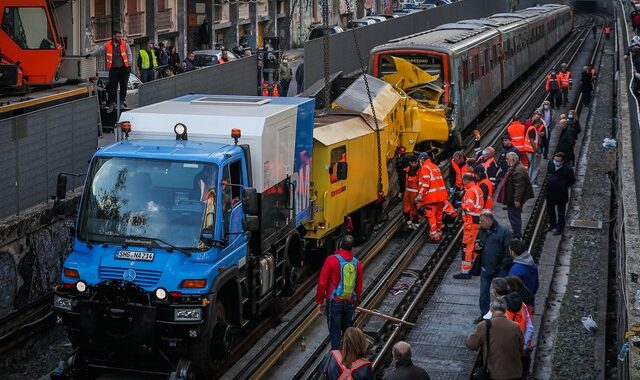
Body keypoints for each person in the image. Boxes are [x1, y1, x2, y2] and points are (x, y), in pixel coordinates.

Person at [316, 235, 363, 350]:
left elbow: (322, 283)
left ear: (340, 245)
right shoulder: (357, 264)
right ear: (351, 248)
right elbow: (358, 288)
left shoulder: (331, 260)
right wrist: (355, 304)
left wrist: (320, 301)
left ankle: (337, 360)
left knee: (335, 332)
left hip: (334, 302)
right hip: (349, 302)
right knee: (348, 334)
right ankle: (349, 358)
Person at [465, 297, 524, 380]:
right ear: (506, 309)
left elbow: (471, 345)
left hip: (494, 374)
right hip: (515, 373)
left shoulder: (484, 325)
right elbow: (521, 348)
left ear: (491, 309)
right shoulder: (515, 326)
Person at [474, 210, 512, 322]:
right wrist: (477, 247)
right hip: (485, 268)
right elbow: (478, 241)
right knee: (484, 293)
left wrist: (502, 266)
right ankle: (484, 314)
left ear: (490, 220)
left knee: (500, 294)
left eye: (483, 221)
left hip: (499, 269)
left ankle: (499, 315)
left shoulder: (504, 232)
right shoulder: (482, 230)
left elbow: (508, 251)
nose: (480, 223)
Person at [86, 30, 133, 113]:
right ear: (114, 36)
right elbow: (99, 51)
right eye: (118, 36)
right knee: (112, 86)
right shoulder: (107, 45)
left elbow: (129, 55)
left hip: (124, 69)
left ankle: (121, 102)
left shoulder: (125, 44)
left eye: (121, 36)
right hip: (113, 69)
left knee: (123, 86)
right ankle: (112, 103)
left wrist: (129, 65)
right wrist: (91, 54)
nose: (120, 38)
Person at [497, 152, 534, 238]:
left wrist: (517, 200)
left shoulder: (518, 170)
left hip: (513, 199)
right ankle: (516, 233)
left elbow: (519, 187)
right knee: (513, 216)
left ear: (513, 159)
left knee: (514, 217)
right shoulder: (516, 168)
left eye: (507, 159)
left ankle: (517, 235)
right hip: (511, 198)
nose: (506, 160)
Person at [454, 173, 484, 279]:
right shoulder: (478, 188)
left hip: (471, 223)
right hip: (476, 222)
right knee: (474, 245)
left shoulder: (470, 191)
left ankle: (465, 272)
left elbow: (469, 207)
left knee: (467, 247)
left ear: (466, 180)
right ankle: (475, 267)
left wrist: (459, 204)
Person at [416, 152, 448, 241]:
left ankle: (434, 236)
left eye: (420, 160)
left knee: (431, 216)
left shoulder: (425, 168)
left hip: (431, 198)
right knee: (438, 215)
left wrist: (420, 195)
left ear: (422, 159)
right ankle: (439, 232)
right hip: (440, 196)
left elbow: (426, 184)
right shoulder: (435, 167)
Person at [545, 152, 575, 235]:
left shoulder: (568, 169)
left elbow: (572, 180)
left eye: (558, 160)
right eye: (555, 160)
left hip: (561, 194)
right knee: (550, 210)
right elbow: (549, 173)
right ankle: (552, 225)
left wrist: (563, 185)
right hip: (550, 193)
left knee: (561, 213)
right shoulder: (551, 164)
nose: (556, 162)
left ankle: (559, 229)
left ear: (562, 161)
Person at [507, 239, 539, 309]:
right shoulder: (532, 264)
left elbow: (512, 291)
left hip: (520, 306)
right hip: (530, 302)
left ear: (513, 252)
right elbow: (536, 285)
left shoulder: (515, 270)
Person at [402, 155, 421, 229]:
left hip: (415, 193)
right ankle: (409, 222)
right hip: (407, 192)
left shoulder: (420, 171)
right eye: (412, 162)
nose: (413, 164)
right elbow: (402, 181)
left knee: (415, 209)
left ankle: (415, 222)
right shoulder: (406, 170)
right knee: (405, 208)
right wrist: (401, 192)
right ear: (409, 162)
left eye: (415, 162)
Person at [525, 118, 541, 185]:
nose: (540, 125)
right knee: (533, 166)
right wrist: (536, 151)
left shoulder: (531, 128)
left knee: (531, 166)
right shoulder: (532, 129)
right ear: (537, 123)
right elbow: (532, 141)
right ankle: (531, 181)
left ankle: (531, 181)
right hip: (531, 151)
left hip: (530, 150)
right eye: (540, 123)